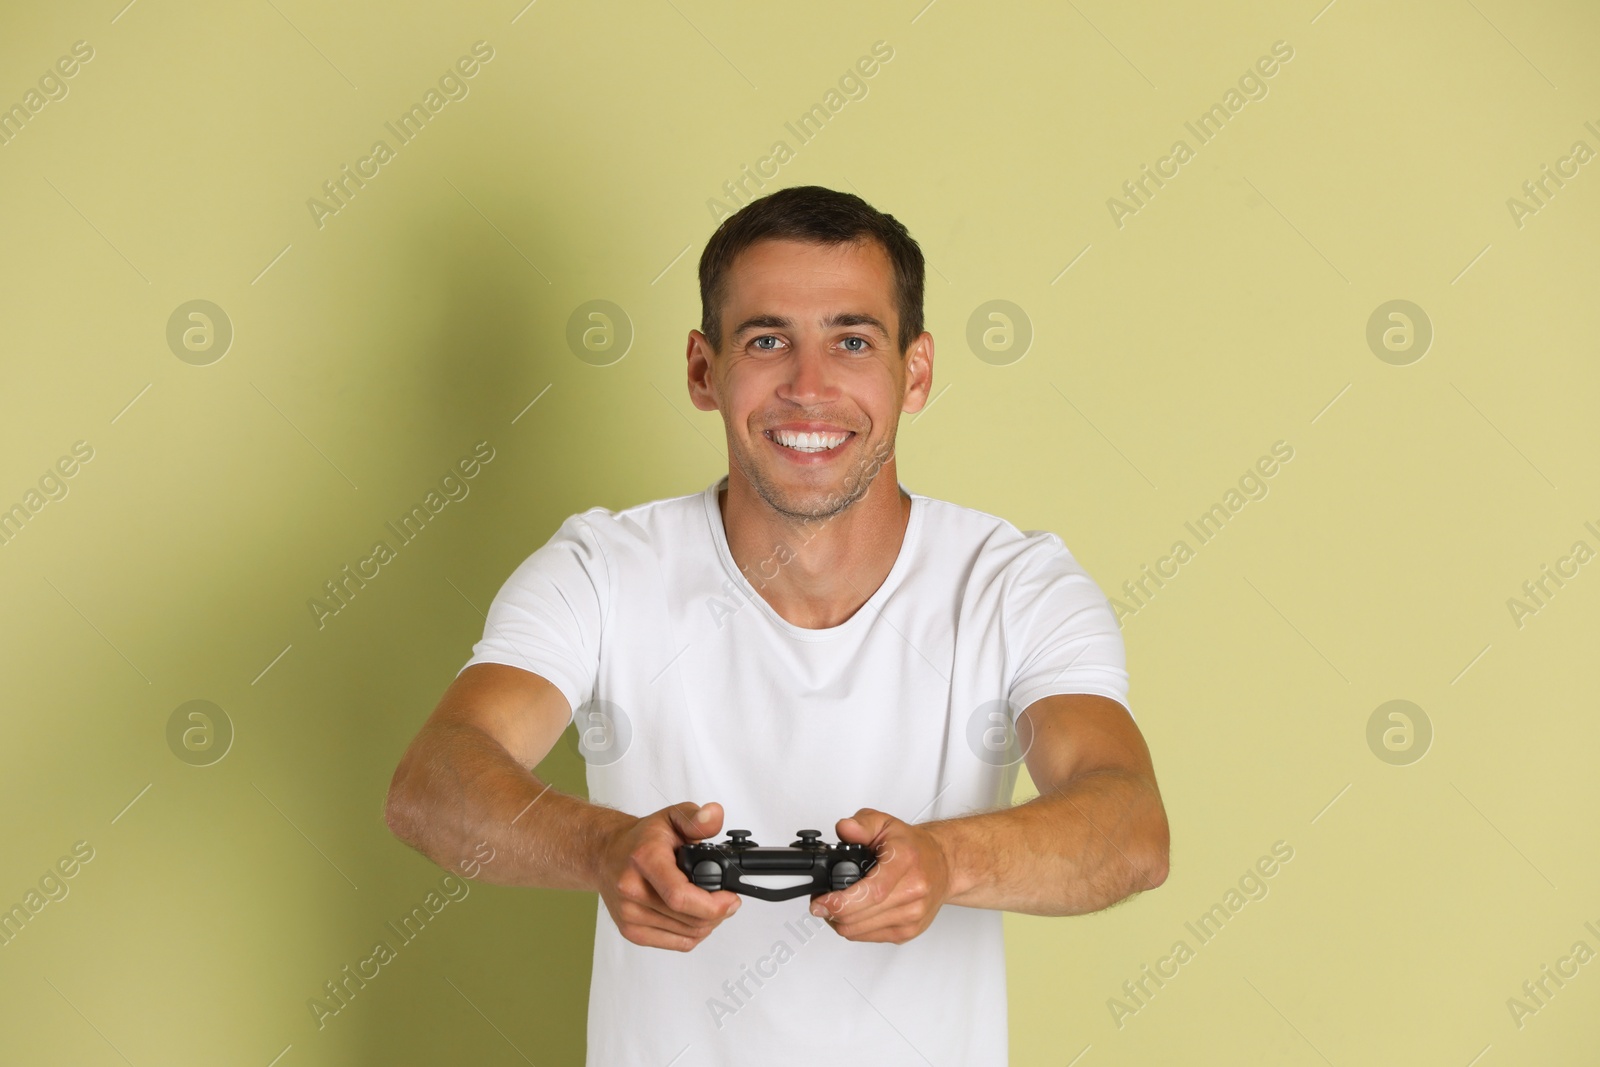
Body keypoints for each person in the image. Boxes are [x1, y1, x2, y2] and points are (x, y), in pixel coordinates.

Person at [384, 185, 1170, 1065]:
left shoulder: (1013, 584)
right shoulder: (604, 569)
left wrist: (947, 862)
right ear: (702, 369)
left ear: (915, 371)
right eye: (767, 340)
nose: (808, 387)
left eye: (852, 340)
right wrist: (602, 845)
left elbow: (1131, 825)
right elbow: (433, 784)